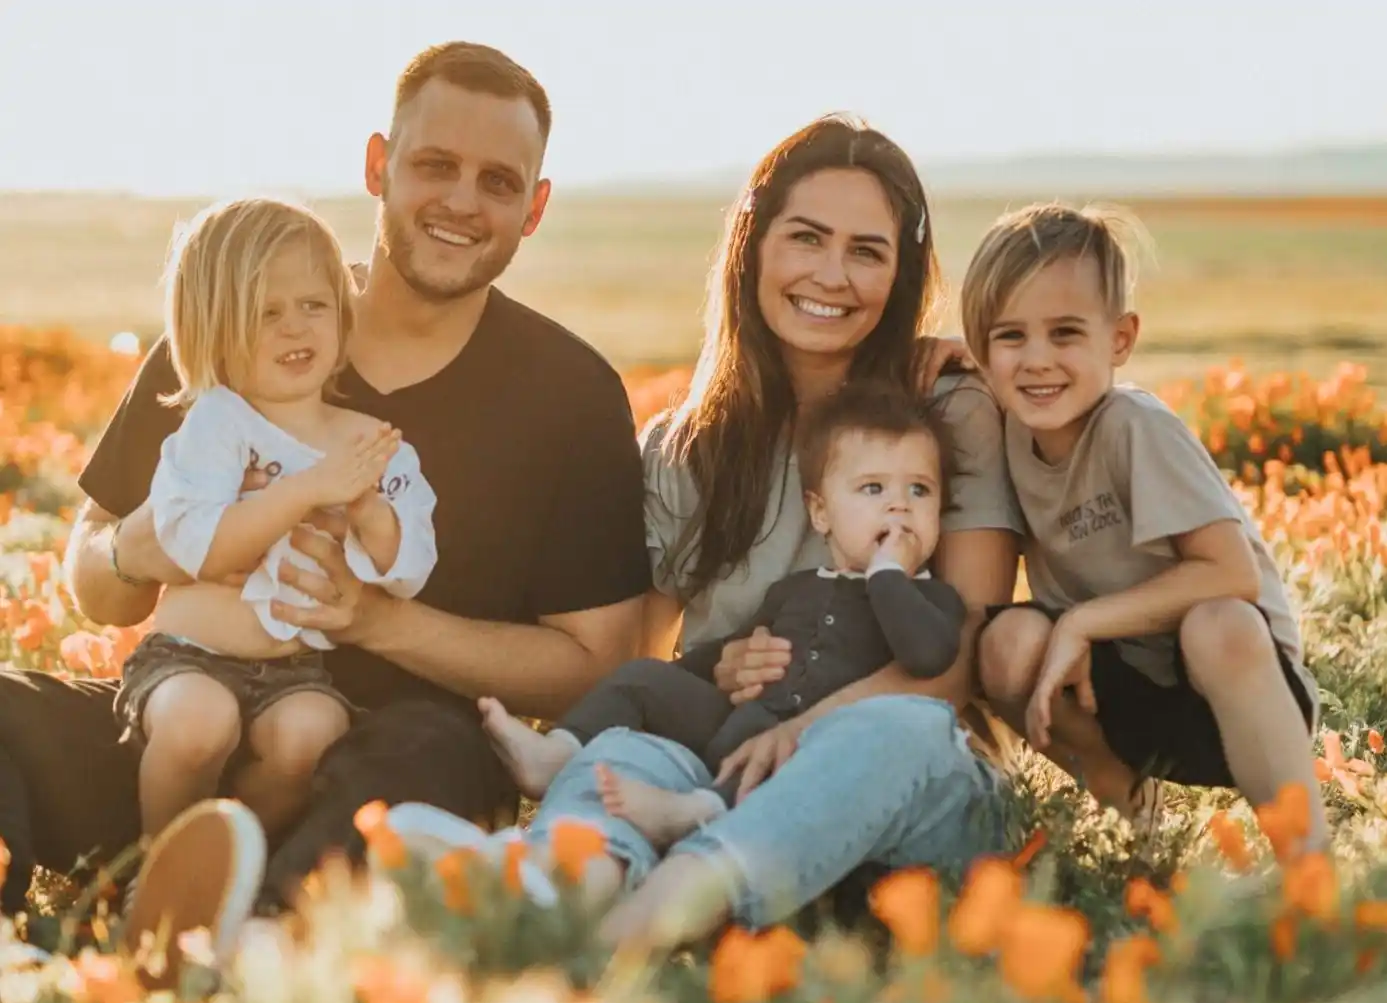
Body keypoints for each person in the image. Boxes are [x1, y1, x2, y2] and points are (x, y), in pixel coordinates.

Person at [1, 40, 651, 983]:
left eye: (497, 181)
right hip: (184, 729)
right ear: (378, 165)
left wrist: (376, 619)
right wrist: (143, 547)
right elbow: (95, 580)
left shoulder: (570, 394)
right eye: (435, 166)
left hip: (385, 765)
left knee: (430, 755)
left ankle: (241, 943)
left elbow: (592, 666)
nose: (462, 202)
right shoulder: (240, 323)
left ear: (534, 208)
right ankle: (72, 936)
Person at [383, 113, 1027, 951]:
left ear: (900, 273)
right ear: (753, 246)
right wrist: (714, 667)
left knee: (887, 730)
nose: (831, 274)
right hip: (726, 769)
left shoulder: (945, 412)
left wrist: (806, 726)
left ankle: (636, 931)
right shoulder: (686, 447)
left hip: (908, 791)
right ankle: (555, 887)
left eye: (866, 251)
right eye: (805, 238)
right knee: (628, 746)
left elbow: (960, 662)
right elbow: (633, 659)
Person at [963, 202, 1327, 852]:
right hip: (1121, 699)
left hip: (1236, 693)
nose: (1036, 360)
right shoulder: (1007, 435)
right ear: (980, 350)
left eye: (1066, 333)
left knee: (1216, 622)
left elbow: (1230, 573)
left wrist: (1081, 621)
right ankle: (1136, 819)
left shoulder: (1135, 428)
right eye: (1010, 336)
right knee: (1005, 639)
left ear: (1120, 340)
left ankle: (1307, 867)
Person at [479, 380, 967, 847]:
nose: (900, 507)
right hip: (736, 722)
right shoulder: (795, 590)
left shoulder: (933, 601)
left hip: (813, 749)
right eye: (874, 489)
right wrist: (711, 668)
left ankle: (696, 810)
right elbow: (724, 651)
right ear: (821, 514)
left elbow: (926, 654)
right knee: (643, 678)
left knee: (768, 757)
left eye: (920, 491)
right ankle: (556, 753)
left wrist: (888, 575)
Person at [118, 195, 439, 847]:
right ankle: (153, 868)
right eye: (266, 313)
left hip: (294, 671)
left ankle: (230, 862)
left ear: (343, 317)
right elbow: (201, 549)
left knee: (311, 736)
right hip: (187, 658)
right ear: (214, 329)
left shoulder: (370, 443)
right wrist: (309, 490)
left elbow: (408, 568)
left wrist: (367, 510)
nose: (295, 328)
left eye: (313, 306)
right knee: (198, 724)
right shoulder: (215, 424)